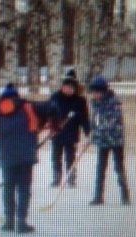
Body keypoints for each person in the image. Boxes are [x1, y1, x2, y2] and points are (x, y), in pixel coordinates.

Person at [0, 83, 56, 233]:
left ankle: (9, 221)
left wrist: (3, 150)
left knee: (8, 187)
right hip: (26, 155)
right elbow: (52, 106)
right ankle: (21, 223)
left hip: (7, 156)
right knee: (23, 188)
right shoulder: (28, 106)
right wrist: (53, 125)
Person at [88, 76, 130, 205]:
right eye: (93, 92)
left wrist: (97, 132)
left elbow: (109, 123)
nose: (94, 95)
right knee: (100, 168)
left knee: (118, 167)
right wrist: (91, 134)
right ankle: (98, 196)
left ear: (103, 91)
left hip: (115, 139)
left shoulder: (114, 102)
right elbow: (94, 121)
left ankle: (125, 194)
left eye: (96, 92)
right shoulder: (95, 103)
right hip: (102, 140)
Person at [47, 77, 90, 187]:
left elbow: (84, 118)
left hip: (72, 133)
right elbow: (48, 114)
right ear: (62, 87)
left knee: (70, 157)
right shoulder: (55, 98)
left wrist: (87, 132)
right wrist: (49, 126)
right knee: (56, 157)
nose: (69, 90)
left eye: (71, 88)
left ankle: (71, 178)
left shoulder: (80, 101)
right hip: (57, 133)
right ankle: (56, 178)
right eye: (67, 87)